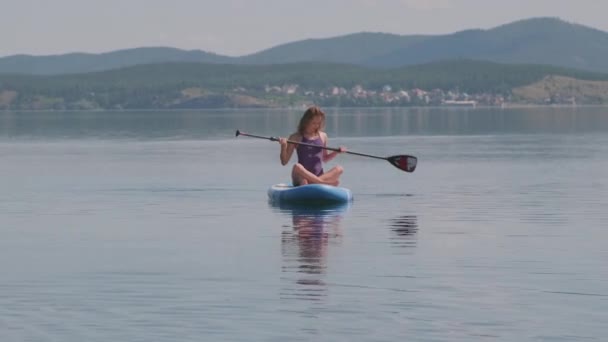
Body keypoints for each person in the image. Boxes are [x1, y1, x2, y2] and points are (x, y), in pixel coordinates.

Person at [278, 106, 346, 186]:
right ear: (306, 121)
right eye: (314, 123)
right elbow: (284, 161)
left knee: (339, 169)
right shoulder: (296, 137)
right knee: (297, 166)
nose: (316, 126)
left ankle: (317, 181)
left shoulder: (323, 136)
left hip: (319, 176)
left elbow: (324, 158)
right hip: (302, 177)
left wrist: (336, 152)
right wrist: (283, 146)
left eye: (318, 123)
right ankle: (321, 183)